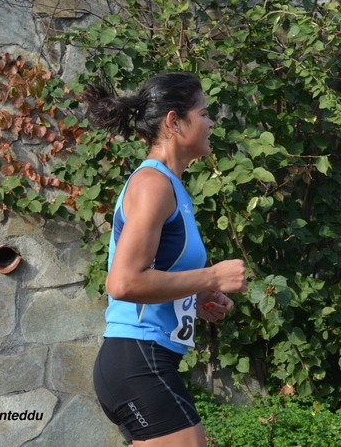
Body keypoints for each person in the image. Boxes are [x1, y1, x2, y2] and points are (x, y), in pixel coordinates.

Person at [85, 72, 248, 446]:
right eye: (204, 113)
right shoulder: (152, 185)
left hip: (145, 362)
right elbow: (124, 283)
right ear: (174, 121)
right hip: (138, 362)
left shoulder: (170, 186)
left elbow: (154, 275)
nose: (210, 123)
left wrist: (194, 298)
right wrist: (210, 277)